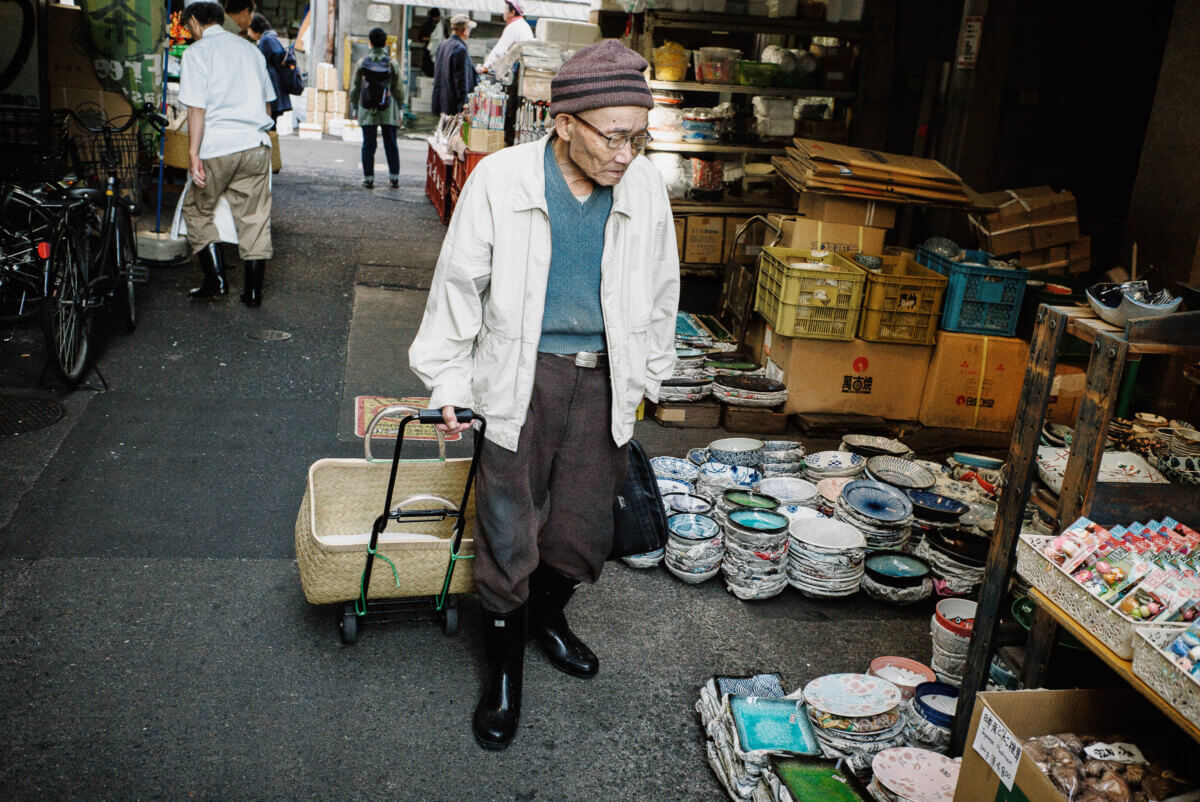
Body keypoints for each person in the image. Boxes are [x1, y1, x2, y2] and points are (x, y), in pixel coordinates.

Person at [409, 40, 679, 751]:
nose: (627, 152)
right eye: (613, 135)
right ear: (564, 122)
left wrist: (648, 375)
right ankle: (503, 674)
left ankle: (545, 618)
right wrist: (448, 380)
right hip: (519, 374)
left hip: (605, 376)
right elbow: (458, 289)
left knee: (583, 532)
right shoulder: (500, 180)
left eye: (638, 136)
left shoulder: (645, 187)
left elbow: (659, 289)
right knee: (506, 526)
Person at [178, 0, 276, 308]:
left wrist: (193, 154)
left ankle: (215, 280)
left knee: (196, 209)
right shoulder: (251, 50)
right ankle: (253, 293)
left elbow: (196, 108)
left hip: (219, 146)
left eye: (188, 26)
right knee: (255, 217)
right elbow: (268, 103)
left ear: (194, 22)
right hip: (256, 144)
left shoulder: (198, 53)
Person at [349, 27, 403, 189]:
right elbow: (398, 89)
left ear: (370, 43)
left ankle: (368, 178)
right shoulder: (392, 63)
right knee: (391, 143)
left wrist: (355, 107)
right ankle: (394, 178)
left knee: (368, 144)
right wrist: (400, 107)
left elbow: (355, 88)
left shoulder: (362, 63)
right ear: (385, 43)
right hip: (388, 108)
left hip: (367, 109)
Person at [247, 13, 292, 121]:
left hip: (273, 91)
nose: (247, 32)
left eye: (248, 28)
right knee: (271, 123)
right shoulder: (271, 39)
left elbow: (261, 66)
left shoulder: (266, 41)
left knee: (269, 123)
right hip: (277, 91)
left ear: (254, 28)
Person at [431, 14, 477, 117]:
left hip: (442, 103)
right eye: (469, 28)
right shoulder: (460, 49)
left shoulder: (443, 44)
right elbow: (461, 83)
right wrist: (463, 108)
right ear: (464, 30)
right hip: (453, 108)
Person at [479, 0, 533, 75]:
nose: (503, 13)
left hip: (516, 72)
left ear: (512, 12)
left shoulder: (513, 26)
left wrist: (485, 66)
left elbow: (499, 51)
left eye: (505, 9)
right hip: (523, 71)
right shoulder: (525, 26)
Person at [417, 8, 443, 78]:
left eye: (437, 17)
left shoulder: (441, 26)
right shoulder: (426, 25)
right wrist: (431, 39)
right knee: (428, 67)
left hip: (439, 49)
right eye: (435, 17)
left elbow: (445, 36)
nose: (436, 19)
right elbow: (420, 37)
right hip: (428, 50)